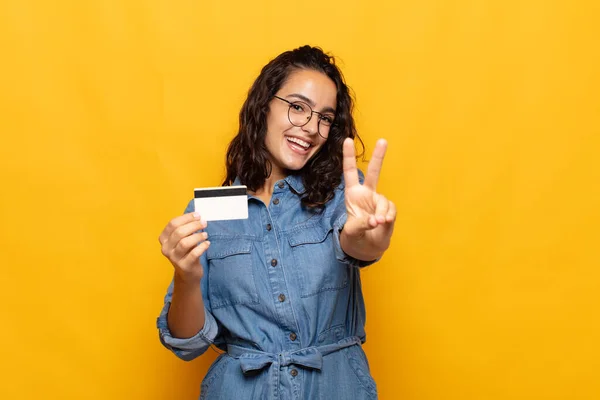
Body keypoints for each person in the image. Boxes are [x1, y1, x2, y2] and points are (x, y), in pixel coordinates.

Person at [157, 45, 396, 400]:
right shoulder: (211, 208)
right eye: (298, 107)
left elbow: (359, 244)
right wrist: (187, 277)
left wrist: (371, 235)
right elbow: (187, 342)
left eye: (325, 118)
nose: (312, 128)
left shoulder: (341, 192)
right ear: (264, 105)